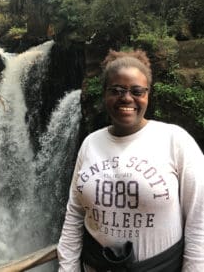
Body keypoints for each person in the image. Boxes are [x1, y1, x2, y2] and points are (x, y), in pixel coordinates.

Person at [57, 49, 204, 271]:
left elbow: (199, 219)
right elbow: (75, 214)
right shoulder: (90, 143)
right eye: (116, 90)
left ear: (147, 94)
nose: (126, 98)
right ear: (104, 93)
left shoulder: (176, 140)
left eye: (137, 91)